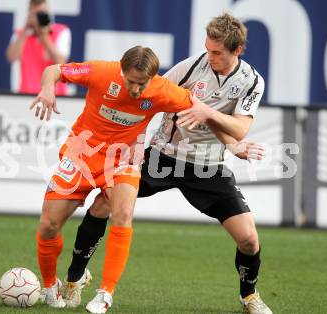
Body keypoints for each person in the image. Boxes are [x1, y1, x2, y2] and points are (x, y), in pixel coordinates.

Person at [62, 13, 272, 314]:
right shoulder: (191, 67)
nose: (209, 56)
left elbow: (240, 128)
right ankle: (75, 277)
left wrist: (217, 126)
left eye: (217, 52)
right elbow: (147, 94)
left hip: (207, 167)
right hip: (162, 155)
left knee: (249, 240)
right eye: (207, 48)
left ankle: (249, 295)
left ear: (237, 51)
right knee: (103, 203)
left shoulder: (251, 81)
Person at [29, 46, 212, 313]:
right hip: (82, 153)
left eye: (143, 83)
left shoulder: (162, 90)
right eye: (131, 81)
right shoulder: (101, 72)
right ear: (121, 71)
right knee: (49, 224)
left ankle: (105, 294)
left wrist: (234, 141)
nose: (136, 89)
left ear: (154, 77)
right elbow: (54, 70)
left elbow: (202, 109)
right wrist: (47, 89)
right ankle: (49, 285)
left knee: (124, 212)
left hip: (123, 159)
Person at [6, 0, 71, 95]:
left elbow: (61, 62)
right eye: (36, 14)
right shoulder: (21, 35)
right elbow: (11, 57)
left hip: (55, 95)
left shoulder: (61, 32)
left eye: (42, 14)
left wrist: (44, 36)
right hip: (27, 94)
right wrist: (25, 30)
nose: (39, 18)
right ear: (29, 14)